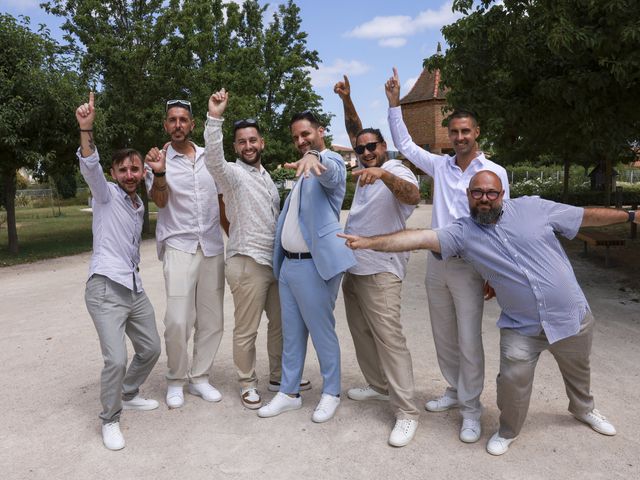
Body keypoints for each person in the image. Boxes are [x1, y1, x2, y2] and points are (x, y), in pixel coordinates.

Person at [340, 170, 639, 455]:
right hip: (522, 328)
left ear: (502, 194)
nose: (485, 198)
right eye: (478, 193)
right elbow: (417, 237)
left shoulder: (533, 208)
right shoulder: (463, 233)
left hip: (571, 317)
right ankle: (507, 431)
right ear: (468, 196)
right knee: (511, 384)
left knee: (579, 372)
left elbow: (586, 216)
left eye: (491, 193)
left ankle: (583, 409)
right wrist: (370, 243)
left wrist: (632, 215)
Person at [386, 67, 510, 443]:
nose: (459, 137)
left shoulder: (494, 172)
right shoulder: (440, 166)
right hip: (438, 263)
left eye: (465, 131)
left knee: (470, 339)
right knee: (443, 335)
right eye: (454, 132)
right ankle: (455, 391)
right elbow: (406, 147)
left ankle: (473, 410)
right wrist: (395, 106)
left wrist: (494, 272)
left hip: (471, 267)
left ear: (476, 133)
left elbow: (503, 223)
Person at [202, 89, 311, 410]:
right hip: (247, 264)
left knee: (281, 325)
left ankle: (278, 375)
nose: (248, 146)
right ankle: (247, 382)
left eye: (253, 140)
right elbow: (212, 158)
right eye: (242, 142)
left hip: (275, 265)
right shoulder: (232, 174)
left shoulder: (265, 176)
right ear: (235, 147)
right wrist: (214, 118)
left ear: (261, 143)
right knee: (246, 330)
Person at [334, 75, 422, 447]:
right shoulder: (362, 161)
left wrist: (383, 172)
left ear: (384, 147)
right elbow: (355, 130)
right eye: (363, 149)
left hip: (382, 272)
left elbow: (413, 195)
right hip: (354, 269)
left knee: (389, 340)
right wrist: (347, 99)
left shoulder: (397, 170)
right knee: (362, 334)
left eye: (373, 147)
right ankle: (379, 386)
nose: (367, 152)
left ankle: (407, 412)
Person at [257, 110, 356, 423]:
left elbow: (334, 175)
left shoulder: (329, 161)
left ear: (320, 131)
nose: (300, 141)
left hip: (315, 267)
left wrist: (315, 156)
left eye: (306, 135)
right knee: (292, 334)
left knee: (322, 332)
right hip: (289, 266)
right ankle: (288, 392)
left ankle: (332, 392)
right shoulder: (301, 170)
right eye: (296, 137)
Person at [76, 92, 161, 451]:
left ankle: (127, 392)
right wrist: (86, 128)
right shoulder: (105, 194)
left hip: (133, 287)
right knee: (116, 358)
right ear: (114, 173)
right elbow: (90, 164)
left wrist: (158, 165)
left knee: (151, 349)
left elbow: (159, 184)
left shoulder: (139, 202)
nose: (129, 175)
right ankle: (110, 419)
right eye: (123, 170)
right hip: (106, 288)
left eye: (134, 169)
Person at [145, 99, 225, 408]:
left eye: (183, 120)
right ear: (166, 126)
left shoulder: (210, 158)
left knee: (212, 319)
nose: (178, 124)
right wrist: (161, 172)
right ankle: (176, 379)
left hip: (211, 246)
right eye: (172, 120)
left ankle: (200, 378)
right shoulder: (158, 160)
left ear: (192, 125)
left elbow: (221, 199)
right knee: (178, 319)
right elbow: (160, 201)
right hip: (179, 245)